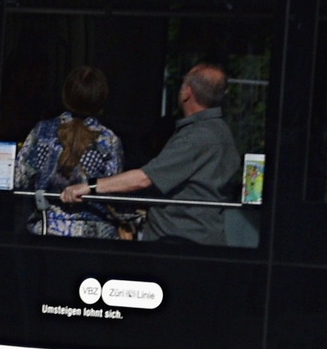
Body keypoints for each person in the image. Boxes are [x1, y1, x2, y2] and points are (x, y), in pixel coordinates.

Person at [64, 63, 240, 244]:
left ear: (187, 92)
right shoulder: (222, 132)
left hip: (180, 241)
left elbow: (143, 178)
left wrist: (88, 186)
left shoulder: (197, 137)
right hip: (202, 237)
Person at [15, 66, 123, 238]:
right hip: (94, 237)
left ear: (66, 95)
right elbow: (114, 189)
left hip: (46, 230)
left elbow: (18, 177)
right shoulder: (108, 140)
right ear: (101, 99)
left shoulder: (43, 131)